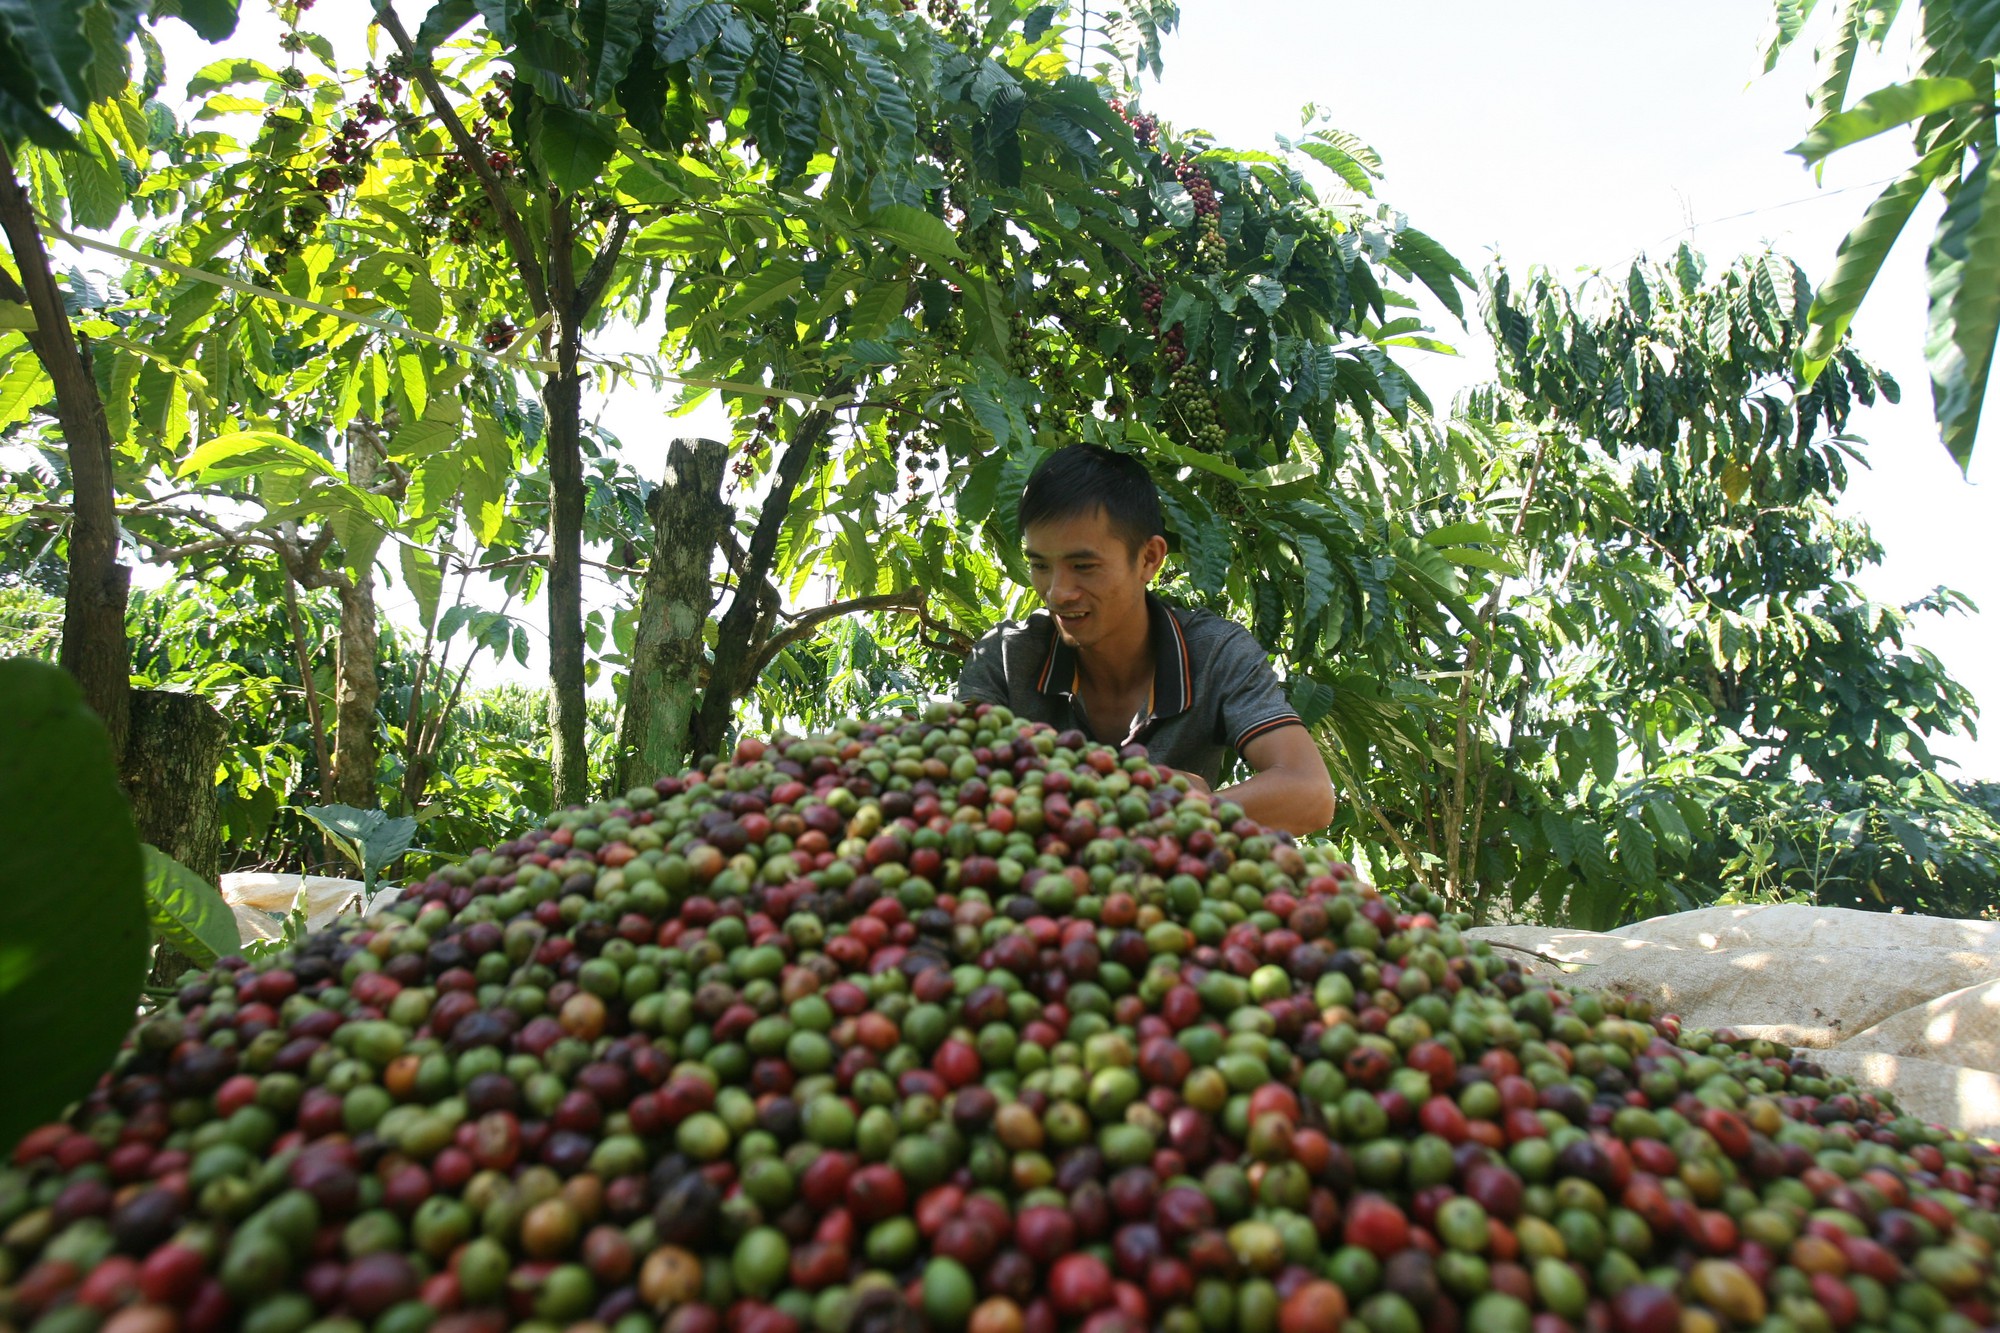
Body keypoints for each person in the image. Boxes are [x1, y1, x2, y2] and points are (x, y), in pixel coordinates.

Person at [956, 444, 1337, 836]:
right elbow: (954, 786)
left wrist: (1197, 810)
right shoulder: (1004, 656)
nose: (1057, 592)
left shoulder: (1215, 654)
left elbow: (1310, 794)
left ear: (1149, 559)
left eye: (1083, 566)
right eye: (1040, 565)